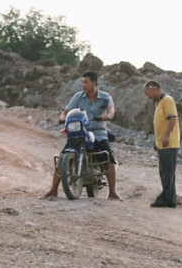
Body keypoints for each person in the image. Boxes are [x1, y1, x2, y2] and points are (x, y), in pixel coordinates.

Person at [41, 71, 122, 200]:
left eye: (86, 82)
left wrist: (107, 116)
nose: (83, 85)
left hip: (98, 133)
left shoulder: (105, 97)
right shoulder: (78, 96)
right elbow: (66, 111)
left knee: (108, 156)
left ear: (94, 83)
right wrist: (62, 117)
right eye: (82, 82)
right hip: (79, 131)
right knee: (62, 157)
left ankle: (113, 192)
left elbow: (111, 110)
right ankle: (53, 190)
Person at [144, 79, 179, 208]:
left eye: (148, 93)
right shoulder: (159, 103)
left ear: (153, 88)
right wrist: (157, 141)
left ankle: (165, 199)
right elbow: (161, 124)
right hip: (163, 143)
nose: (148, 96)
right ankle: (170, 199)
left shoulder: (167, 100)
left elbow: (172, 118)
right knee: (165, 171)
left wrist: (167, 135)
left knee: (167, 172)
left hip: (169, 143)